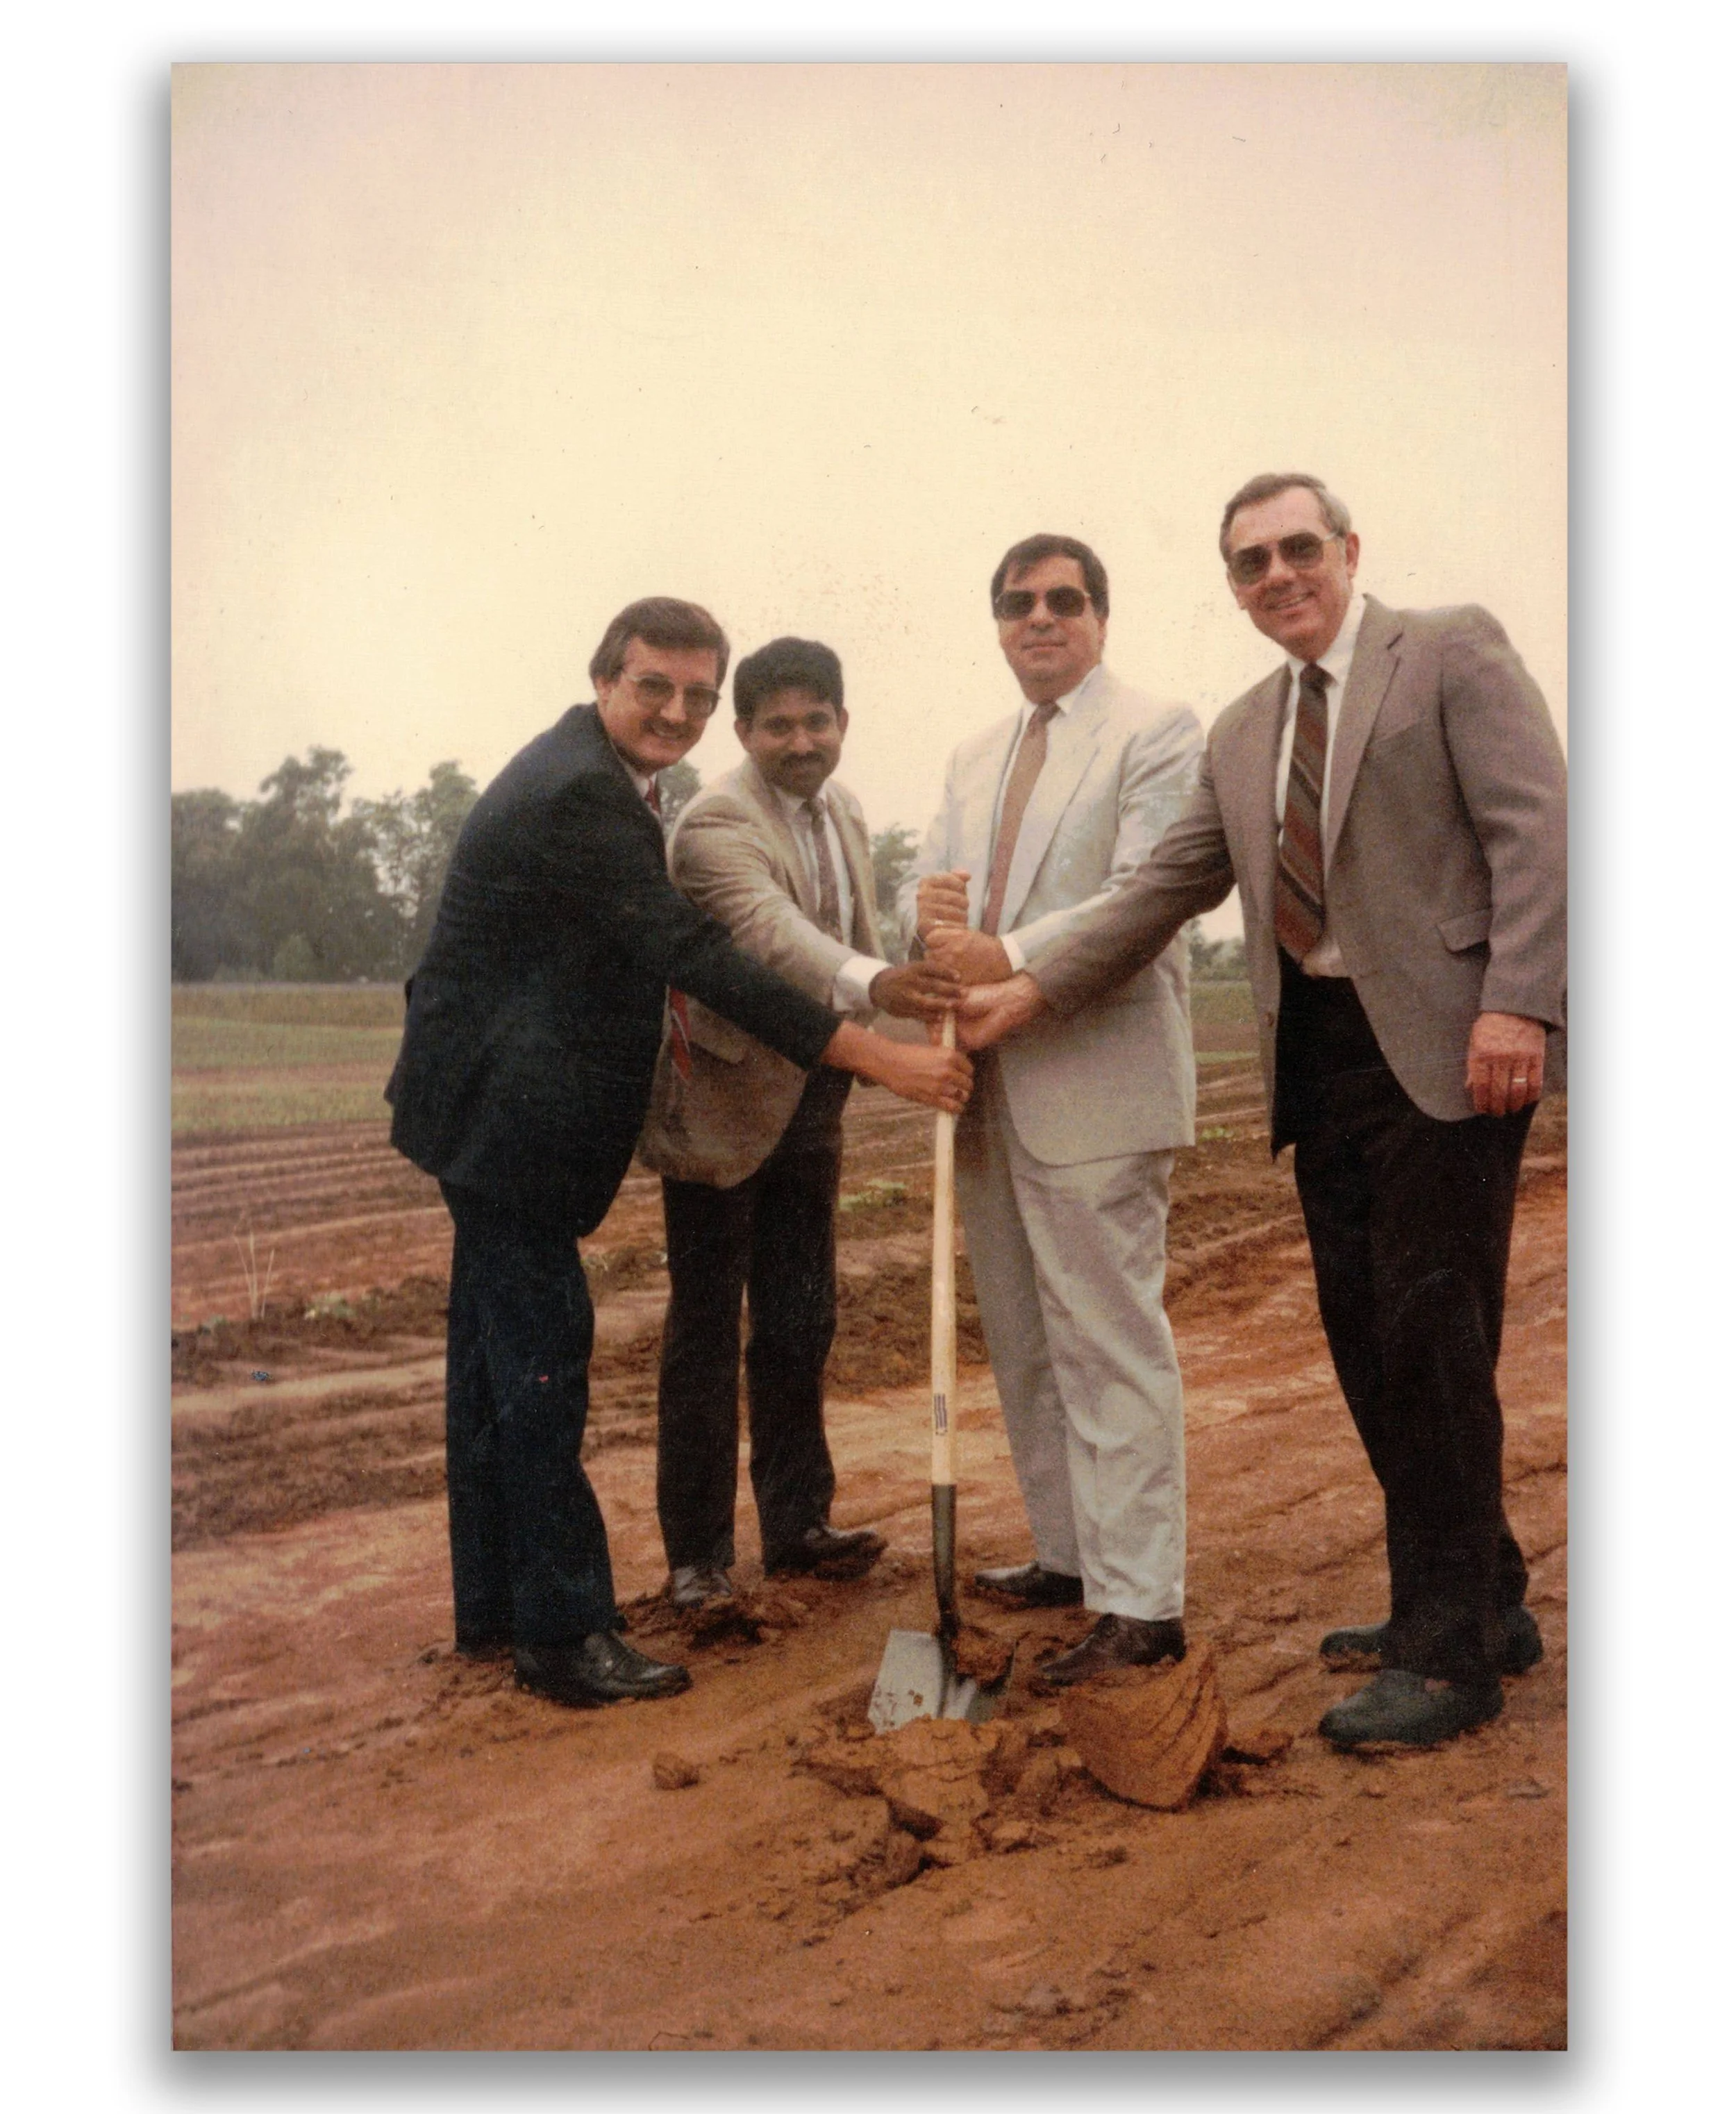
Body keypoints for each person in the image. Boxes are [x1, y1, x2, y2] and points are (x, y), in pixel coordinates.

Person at [958, 475, 1567, 1749]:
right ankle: (1485, 1595)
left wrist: (1519, 1003)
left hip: (1452, 1050)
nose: (1278, 574)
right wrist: (1022, 988)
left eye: (1300, 548)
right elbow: (1159, 889)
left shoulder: (1448, 647)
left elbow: (1540, 831)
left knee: (1429, 1336)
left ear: (1350, 550)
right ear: (1231, 586)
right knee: (1364, 1335)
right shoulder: (1245, 729)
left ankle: (1448, 1654)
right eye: (1250, 562)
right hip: (1322, 1061)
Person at [385, 597, 972, 1711]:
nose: (677, 711)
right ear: (605, 676)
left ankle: (496, 1610)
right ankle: (562, 1637)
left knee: (494, 1372)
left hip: (482, 1111)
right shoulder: (582, 799)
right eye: (656, 686)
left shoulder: (602, 779)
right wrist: (878, 1055)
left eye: (698, 695)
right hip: (511, 1124)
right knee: (540, 1370)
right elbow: (695, 949)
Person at [899, 533, 1204, 1687]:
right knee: (1025, 1338)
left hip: (1098, 1084)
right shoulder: (977, 754)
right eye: (1019, 603)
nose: (1042, 619)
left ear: (1102, 618)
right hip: (985, 1088)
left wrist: (1007, 951)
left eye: (1065, 601)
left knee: (1108, 1340)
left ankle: (1142, 1608)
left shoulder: (1156, 729)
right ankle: (1072, 1557)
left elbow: (1145, 894)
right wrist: (925, 914)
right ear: (996, 623)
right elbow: (938, 896)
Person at [638, 637, 960, 1608]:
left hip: (814, 1097)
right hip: (724, 1109)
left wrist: (918, 944)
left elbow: (850, 941)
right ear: (741, 733)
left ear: (843, 726)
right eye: (777, 724)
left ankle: (798, 1525)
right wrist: (881, 988)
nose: (800, 740)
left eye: (817, 721)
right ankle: (698, 1561)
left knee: (800, 1317)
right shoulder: (712, 827)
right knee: (706, 1332)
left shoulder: (845, 810)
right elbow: (779, 942)